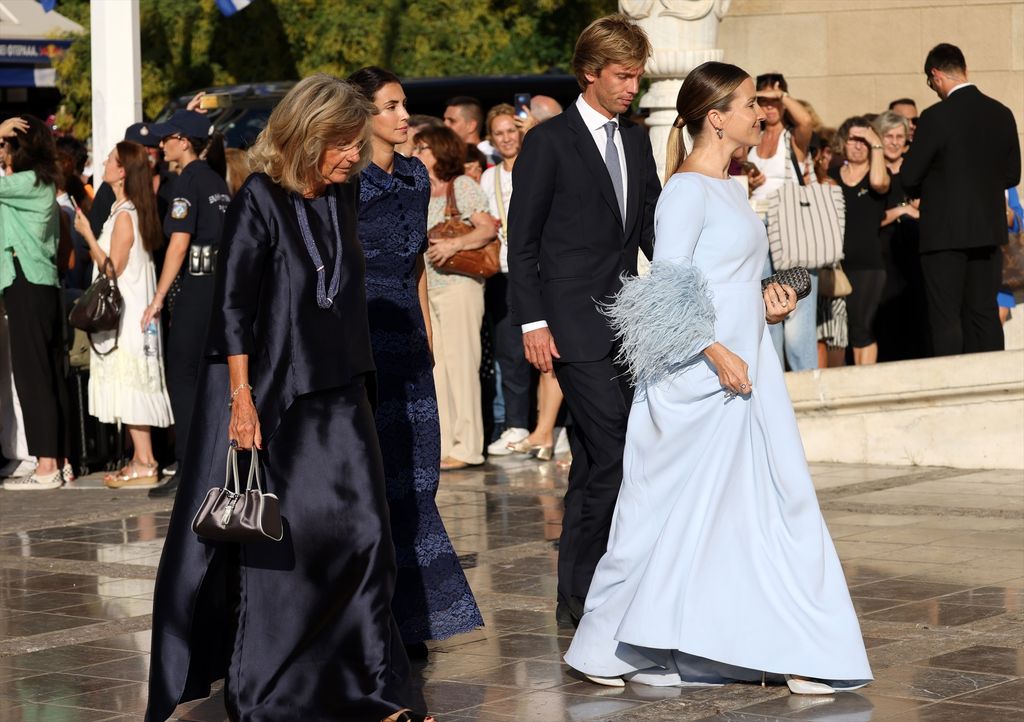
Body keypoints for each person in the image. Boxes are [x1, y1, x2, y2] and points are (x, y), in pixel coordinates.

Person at [563, 61, 872, 694]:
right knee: (659, 513)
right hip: (697, 378)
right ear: (716, 116)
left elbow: (725, 281)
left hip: (746, 367)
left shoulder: (735, 188)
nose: (759, 114)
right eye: (747, 105)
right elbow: (667, 288)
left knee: (765, 505)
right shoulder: (684, 190)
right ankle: (605, 645)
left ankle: (795, 645)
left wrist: (765, 303)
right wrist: (712, 348)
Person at [146, 74, 433, 722]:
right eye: (341, 145)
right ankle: (272, 689)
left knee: (368, 540)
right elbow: (234, 308)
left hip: (344, 391)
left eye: (355, 145)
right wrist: (241, 402)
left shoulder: (345, 192)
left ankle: (374, 690)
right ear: (308, 137)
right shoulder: (260, 200)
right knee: (289, 553)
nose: (351, 157)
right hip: (284, 399)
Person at [507, 14, 661, 628]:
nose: (632, 88)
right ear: (590, 73)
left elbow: (650, 228)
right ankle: (594, 586)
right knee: (618, 446)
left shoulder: (638, 138)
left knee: (601, 460)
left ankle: (580, 591)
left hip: (630, 322)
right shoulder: (549, 141)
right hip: (571, 324)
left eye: (638, 77)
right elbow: (522, 243)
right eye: (623, 76)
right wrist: (531, 324)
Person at [348, 65, 483, 658]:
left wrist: (425, 339)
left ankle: (411, 616)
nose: (406, 118)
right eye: (393, 107)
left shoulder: (412, 178)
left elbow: (416, 270)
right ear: (361, 115)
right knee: (369, 483)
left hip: (407, 342)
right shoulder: (342, 182)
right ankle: (369, 618)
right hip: (358, 345)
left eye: (405, 105)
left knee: (416, 478)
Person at [901, 43, 1021, 357]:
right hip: (987, 231)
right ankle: (994, 380)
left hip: (943, 233)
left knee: (945, 315)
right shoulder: (1001, 112)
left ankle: (951, 384)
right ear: (964, 69)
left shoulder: (935, 117)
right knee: (983, 311)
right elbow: (1012, 175)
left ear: (935, 75)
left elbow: (910, 176)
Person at [72, 142, 173, 488]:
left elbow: (112, 269)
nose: (103, 162)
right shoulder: (126, 210)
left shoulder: (126, 215)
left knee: (132, 383)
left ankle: (145, 461)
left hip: (128, 316)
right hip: (131, 312)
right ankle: (140, 458)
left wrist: (87, 234)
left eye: (110, 160)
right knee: (130, 382)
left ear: (122, 171)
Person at [142, 110, 231, 498]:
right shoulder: (217, 181)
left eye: (166, 139)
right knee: (213, 378)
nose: (161, 145)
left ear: (183, 141)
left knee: (183, 376)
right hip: (221, 288)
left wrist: (158, 298)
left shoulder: (187, 182)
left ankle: (189, 470)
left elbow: (179, 243)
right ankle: (214, 465)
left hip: (195, 288)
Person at [412, 125, 497, 470]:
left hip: (460, 286)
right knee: (438, 369)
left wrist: (453, 244)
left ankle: (468, 447)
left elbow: (488, 227)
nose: (416, 152)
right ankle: (445, 444)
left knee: (462, 367)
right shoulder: (420, 189)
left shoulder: (461, 185)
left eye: (423, 147)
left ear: (440, 151)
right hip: (430, 289)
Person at [0, 115, 71, 490]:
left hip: (25, 281)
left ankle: (46, 467)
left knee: (33, 378)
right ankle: (59, 460)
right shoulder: (41, 183)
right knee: (49, 375)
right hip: (40, 284)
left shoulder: (26, 183)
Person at [748, 72, 819, 371]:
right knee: (766, 305)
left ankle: (806, 382)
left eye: (774, 100)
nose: (769, 106)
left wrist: (782, 96)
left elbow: (807, 122)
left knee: (799, 313)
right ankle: (776, 381)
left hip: (791, 226)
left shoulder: (793, 137)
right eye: (762, 100)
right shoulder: (752, 137)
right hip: (756, 226)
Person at [480, 104, 532, 457]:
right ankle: (517, 424)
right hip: (501, 269)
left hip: (536, 268)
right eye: (499, 133)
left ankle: (549, 425)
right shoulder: (489, 177)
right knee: (508, 351)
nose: (506, 138)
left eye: (511, 131)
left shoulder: (536, 164)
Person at [828, 116, 890, 365]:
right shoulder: (832, 175)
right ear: (843, 142)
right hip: (836, 264)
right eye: (854, 139)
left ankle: (866, 382)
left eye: (865, 141)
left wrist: (876, 145)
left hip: (868, 264)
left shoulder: (878, 175)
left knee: (861, 327)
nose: (858, 145)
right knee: (836, 331)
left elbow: (879, 183)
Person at [874, 110, 928, 361]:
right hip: (883, 255)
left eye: (900, 136)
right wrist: (904, 209)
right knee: (887, 316)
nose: (895, 142)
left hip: (917, 252)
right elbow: (872, 219)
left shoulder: (916, 168)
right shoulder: (873, 173)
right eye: (889, 136)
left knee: (918, 311)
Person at [444, 96, 498, 163]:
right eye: (444, 120)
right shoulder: (449, 157)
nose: (445, 125)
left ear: (471, 126)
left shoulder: (492, 158)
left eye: (452, 121)